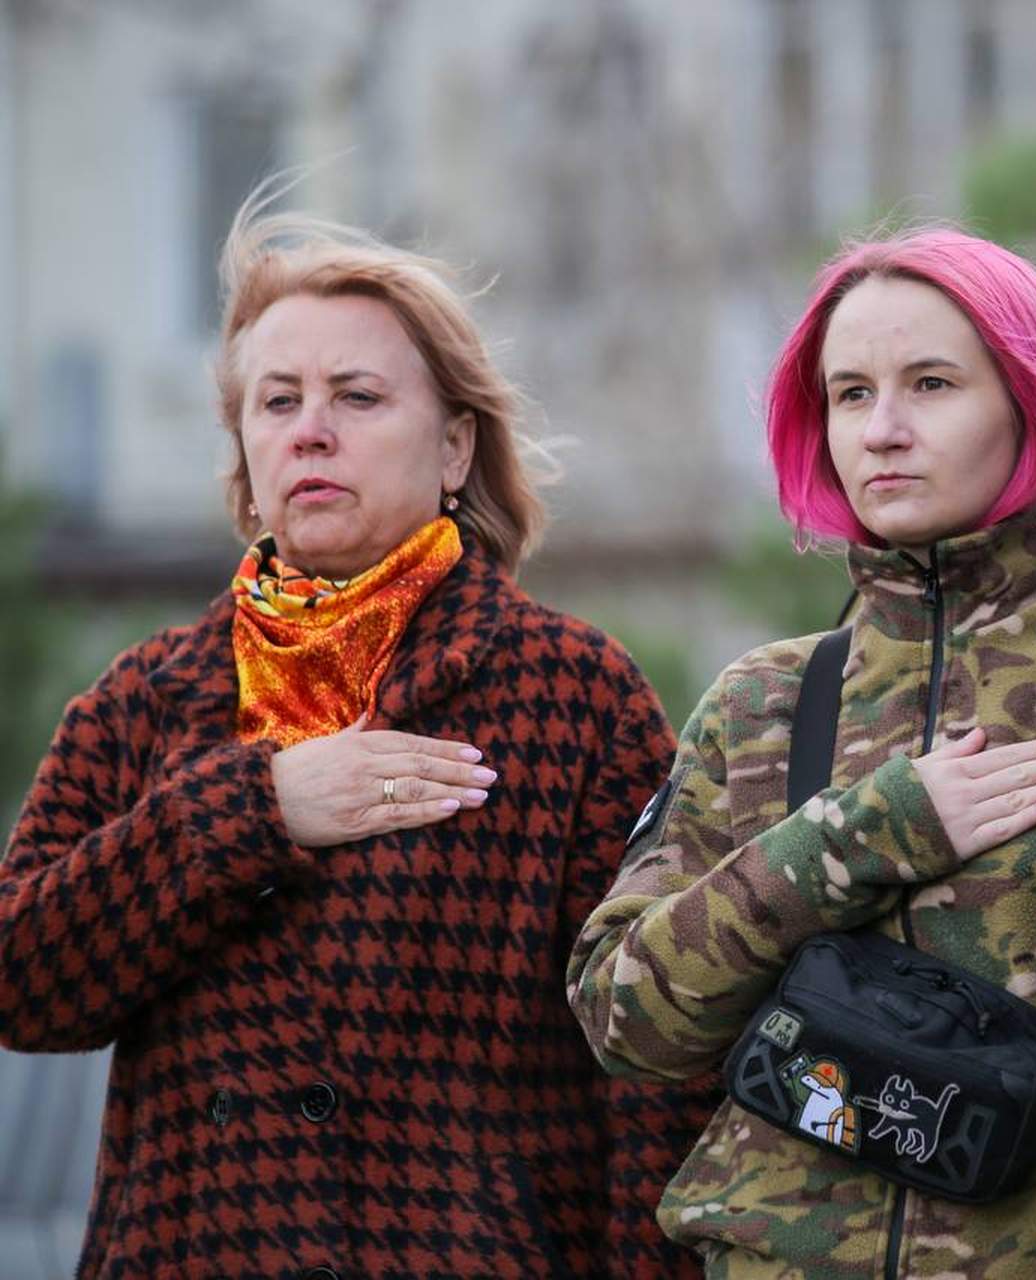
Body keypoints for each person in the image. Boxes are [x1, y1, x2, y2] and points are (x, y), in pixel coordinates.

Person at [0, 201, 713, 1278]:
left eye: (358, 395)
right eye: (277, 400)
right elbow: (22, 979)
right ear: (245, 448)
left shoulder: (576, 695)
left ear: (456, 444)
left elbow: (655, 1060)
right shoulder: (146, 699)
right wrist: (256, 809)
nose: (310, 428)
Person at [568, 229, 1036, 1279]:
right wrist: (854, 834)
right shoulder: (765, 698)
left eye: (930, 383)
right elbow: (627, 1018)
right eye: (849, 393)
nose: (883, 429)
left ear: (1026, 400)